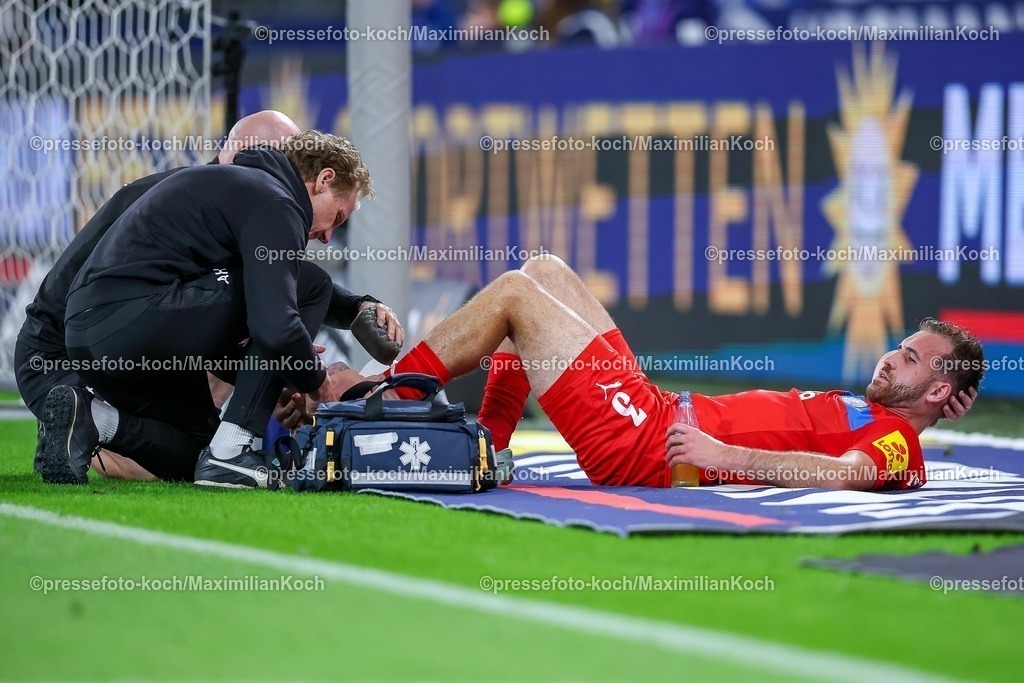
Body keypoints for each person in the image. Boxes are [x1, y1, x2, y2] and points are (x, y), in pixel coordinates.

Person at [332, 255, 980, 491]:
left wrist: (722, 453)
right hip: (659, 410)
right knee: (545, 270)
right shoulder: (880, 409)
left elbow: (846, 475)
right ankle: (492, 444)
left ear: (940, 389)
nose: (893, 356)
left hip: (651, 444)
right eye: (901, 345)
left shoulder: (899, 439)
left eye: (913, 359)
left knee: (514, 295)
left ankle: (385, 398)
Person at [19, 112, 398, 483]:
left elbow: (227, 313)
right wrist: (316, 382)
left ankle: (95, 420)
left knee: (197, 451)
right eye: (338, 218)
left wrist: (351, 311)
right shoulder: (274, 201)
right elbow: (278, 319)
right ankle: (234, 450)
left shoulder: (217, 197)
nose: (330, 235)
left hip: (105, 339)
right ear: (322, 179)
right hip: (61, 351)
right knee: (307, 284)